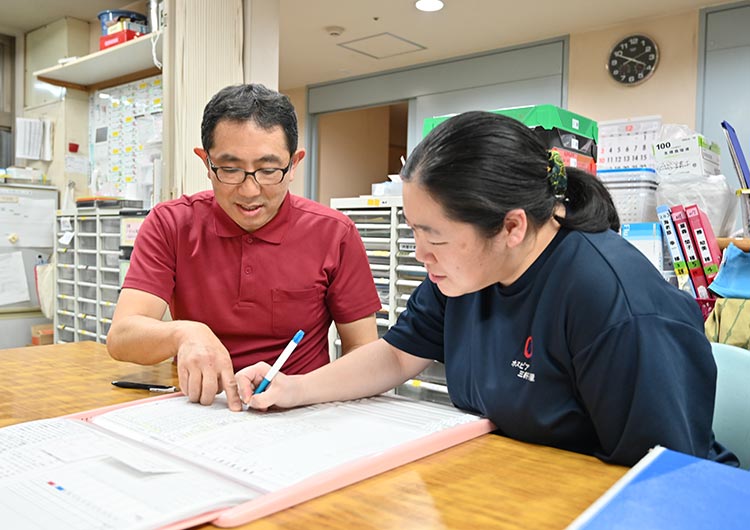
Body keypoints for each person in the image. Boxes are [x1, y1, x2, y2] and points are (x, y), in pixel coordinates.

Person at [237, 110, 738, 467]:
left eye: (433, 235)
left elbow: (663, 478)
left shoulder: (613, 305)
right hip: (513, 477)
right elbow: (395, 357)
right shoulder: (463, 274)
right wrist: (295, 389)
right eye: (413, 229)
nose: (419, 252)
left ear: (512, 227)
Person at [107, 84, 382, 411]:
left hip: (303, 412)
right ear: (206, 162)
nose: (250, 191)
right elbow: (122, 337)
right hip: (202, 409)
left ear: (294, 164)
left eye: (268, 171)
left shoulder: (335, 233)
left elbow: (365, 353)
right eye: (230, 169)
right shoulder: (170, 224)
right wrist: (183, 333)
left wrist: (302, 388)